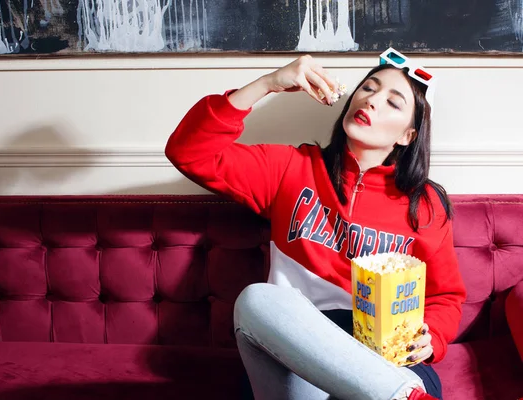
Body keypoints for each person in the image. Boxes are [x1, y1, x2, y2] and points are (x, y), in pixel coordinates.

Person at [164, 48, 467, 400]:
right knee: (256, 300)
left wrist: (434, 337)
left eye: (393, 102)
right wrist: (268, 84)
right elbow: (189, 152)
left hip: (383, 357)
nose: (371, 100)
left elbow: (446, 295)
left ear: (407, 136)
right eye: (368, 88)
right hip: (297, 349)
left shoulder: (425, 205)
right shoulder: (290, 169)